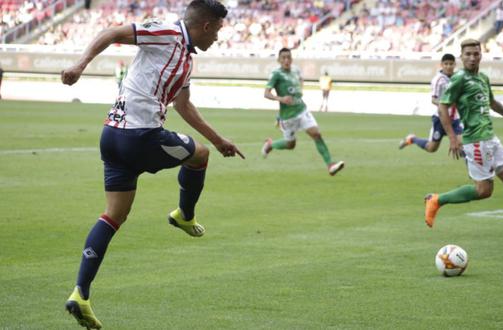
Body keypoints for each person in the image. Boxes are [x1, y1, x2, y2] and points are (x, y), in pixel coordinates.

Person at [60, 1, 244, 328]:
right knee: (199, 156)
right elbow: (113, 32)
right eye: (217, 29)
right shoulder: (168, 31)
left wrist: (219, 139)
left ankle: (80, 293)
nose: (218, 36)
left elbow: (184, 106)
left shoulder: (186, 62)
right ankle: (184, 215)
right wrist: (80, 65)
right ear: (206, 26)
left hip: (112, 136)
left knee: (113, 215)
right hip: (140, 135)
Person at [424, 39, 503, 241]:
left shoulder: (483, 78)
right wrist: (452, 138)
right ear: (461, 57)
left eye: (476, 53)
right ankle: (437, 200)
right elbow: (442, 107)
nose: (472, 57)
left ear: (481, 55)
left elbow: (492, 103)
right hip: (475, 141)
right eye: (468, 54)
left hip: (491, 138)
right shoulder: (458, 79)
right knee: (483, 191)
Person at [261, 48, 344, 176]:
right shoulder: (276, 74)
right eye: (283, 58)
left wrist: (299, 90)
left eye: (288, 57)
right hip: (288, 116)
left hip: (302, 110)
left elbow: (300, 81)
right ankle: (270, 145)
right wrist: (281, 98)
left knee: (316, 134)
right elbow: (266, 93)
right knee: (290, 144)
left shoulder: (295, 71)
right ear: (279, 60)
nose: (286, 60)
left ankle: (330, 165)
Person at [399, 53, 462, 153]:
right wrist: (447, 105)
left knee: (461, 144)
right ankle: (412, 139)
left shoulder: (458, 78)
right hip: (440, 118)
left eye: (451, 64)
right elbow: (434, 100)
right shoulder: (438, 80)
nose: (449, 66)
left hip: (455, 119)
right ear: (441, 65)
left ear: (455, 65)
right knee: (431, 148)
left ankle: (476, 166)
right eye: (446, 64)